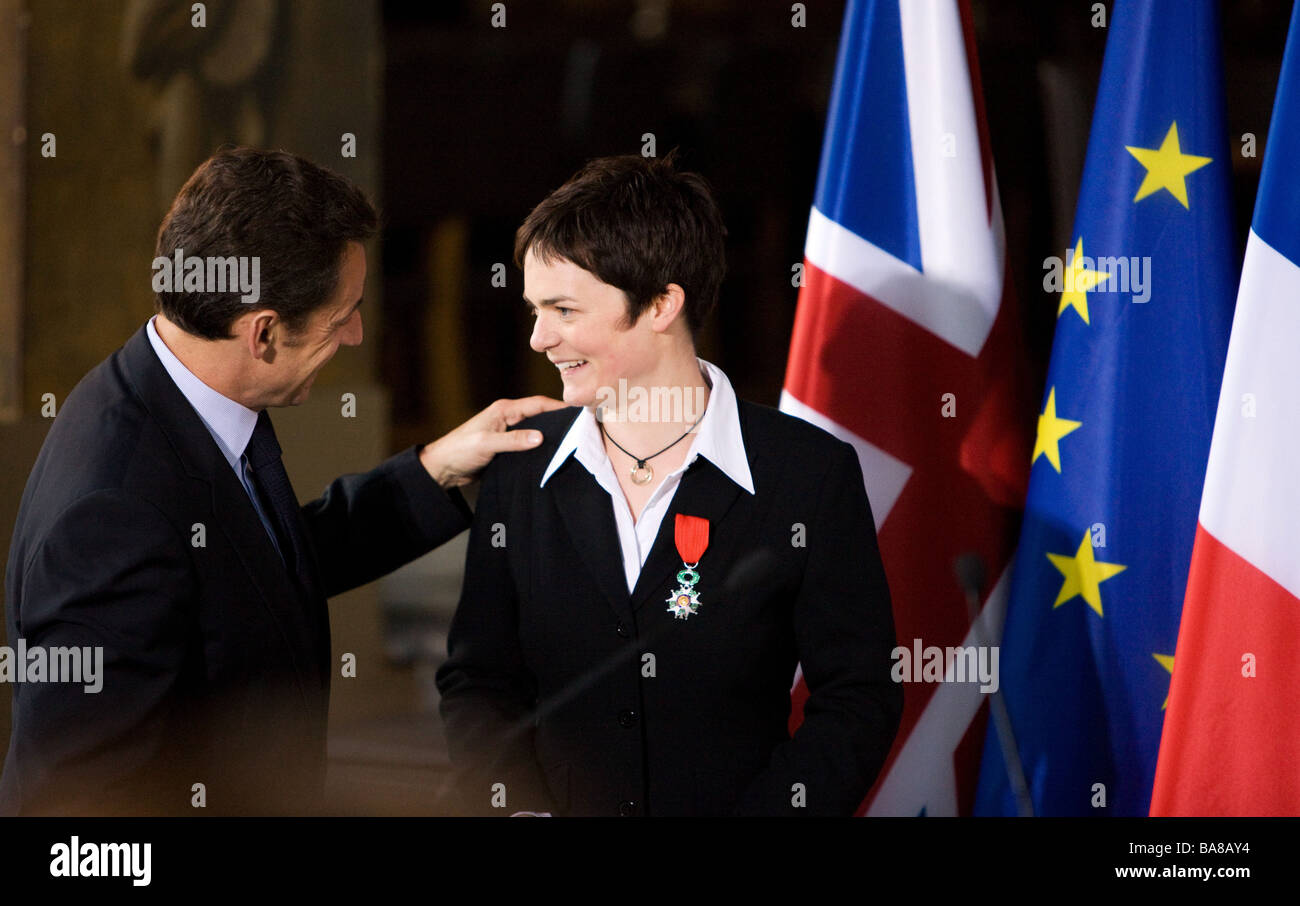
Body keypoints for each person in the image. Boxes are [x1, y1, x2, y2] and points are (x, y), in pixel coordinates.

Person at [0, 148, 562, 816]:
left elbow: (255, 572)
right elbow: (75, 816)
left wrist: (434, 468)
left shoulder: (176, 389)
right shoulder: (111, 515)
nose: (356, 335)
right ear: (263, 333)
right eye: (342, 316)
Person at [436, 153, 902, 816]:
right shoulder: (520, 468)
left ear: (661, 303)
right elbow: (479, 680)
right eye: (535, 309)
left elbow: (858, 699)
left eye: (563, 309)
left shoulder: (807, 474)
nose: (538, 338)